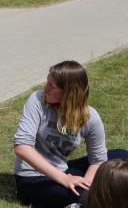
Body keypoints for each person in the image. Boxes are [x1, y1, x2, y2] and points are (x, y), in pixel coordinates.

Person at [13, 60, 128, 208]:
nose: (45, 88)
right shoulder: (37, 100)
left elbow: (98, 160)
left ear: (69, 92)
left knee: (121, 155)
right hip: (32, 178)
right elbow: (22, 147)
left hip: (63, 169)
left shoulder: (90, 117)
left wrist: (87, 183)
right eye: (47, 82)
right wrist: (65, 179)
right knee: (83, 196)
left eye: (52, 86)